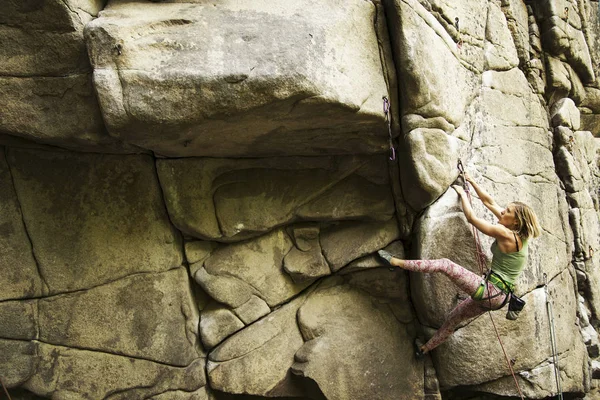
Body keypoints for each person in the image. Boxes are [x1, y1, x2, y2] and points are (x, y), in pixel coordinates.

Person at [378, 172, 541, 356]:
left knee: (445, 265)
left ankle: (396, 262)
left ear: (516, 221)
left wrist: (462, 194)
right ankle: (424, 349)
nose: (503, 211)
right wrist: (470, 182)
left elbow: (471, 219)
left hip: (490, 291)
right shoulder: (521, 235)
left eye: (508, 211)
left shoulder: (506, 235)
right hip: (498, 298)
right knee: (453, 319)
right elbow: (489, 202)